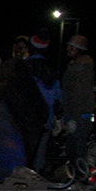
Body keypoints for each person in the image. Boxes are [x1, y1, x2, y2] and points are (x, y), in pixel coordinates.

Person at [25, 28, 62, 172]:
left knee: (25, 148)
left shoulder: (24, 67)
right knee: (41, 149)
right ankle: (36, 175)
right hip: (46, 117)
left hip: (27, 117)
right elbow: (58, 96)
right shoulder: (52, 70)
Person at [60, 33, 95, 179]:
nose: (68, 49)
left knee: (79, 150)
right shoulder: (74, 66)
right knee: (72, 150)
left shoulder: (82, 67)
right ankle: (77, 178)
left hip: (81, 116)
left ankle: (84, 179)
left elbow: (81, 95)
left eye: (72, 47)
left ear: (80, 49)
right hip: (73, 115)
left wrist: (76, 117)